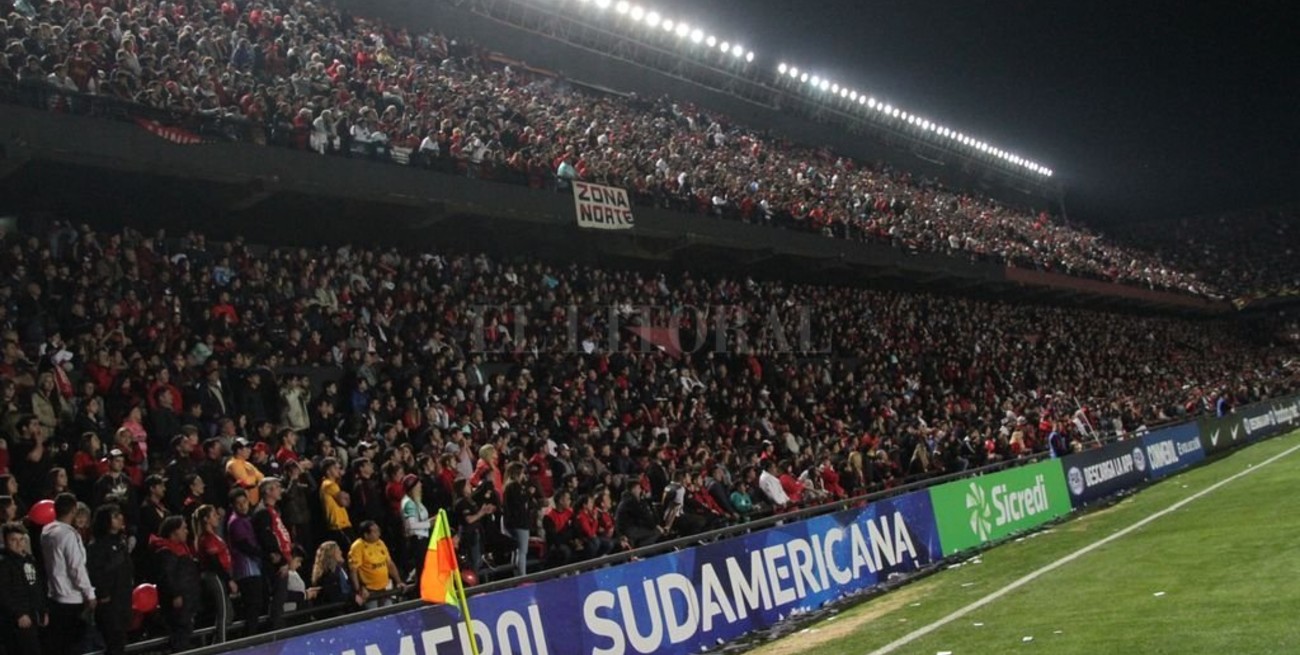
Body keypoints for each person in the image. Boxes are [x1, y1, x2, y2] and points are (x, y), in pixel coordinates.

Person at [40, 493, 95, 655]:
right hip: (72, 598)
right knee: (74, 645)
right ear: (73, 510)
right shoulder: (68, 535)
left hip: (55, 595)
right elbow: (76, 567)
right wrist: (89, 593)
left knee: (60, 644)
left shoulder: (47, 531)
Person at [86, 505, 134, 655]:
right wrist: (103, 593)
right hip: (110, 602)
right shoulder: (97, 545)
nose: (120, 518)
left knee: (120, 642)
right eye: (115, 516)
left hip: (123, 598)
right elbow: (95, 572)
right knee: (114, 642)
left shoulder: (121, 542)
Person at [152, 516, 200, 652]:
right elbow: (167, 576)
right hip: (178, 602)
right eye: (183, 528)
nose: (187, 531)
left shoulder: (181, 549)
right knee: (180, 636)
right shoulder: (166, 551)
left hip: (187, 599)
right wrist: (176, 594)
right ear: (174, 532)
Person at [251, 477, 293, 630]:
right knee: (277, 600)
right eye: (277, 487)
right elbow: (267, 539)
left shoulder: (273, 511)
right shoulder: (262, 512)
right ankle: (275, 634)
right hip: (274, 564)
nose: (280, 490)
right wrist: (281, 561)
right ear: (268, 491)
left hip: (282, 560)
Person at [0, 521, 46, 655]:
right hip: (17, 618)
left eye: (21, 539)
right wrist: (18, 613)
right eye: (13, 540)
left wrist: (43, 610)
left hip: (33, 614)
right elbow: (3, 592)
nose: (19, 543)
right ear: (5, 541)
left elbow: (37, 585)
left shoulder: (29, 559)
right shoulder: (4, 563)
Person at [192, 504, 234, 643]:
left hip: (219, 575)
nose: (218, 517)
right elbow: (214, 562)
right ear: (206, 519)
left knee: (228, 613)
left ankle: (216, 643)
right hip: (214, 576)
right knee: (222, 612)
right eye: (214, 515)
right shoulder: (207, 538)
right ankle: (220, 646)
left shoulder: (212, 536)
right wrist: (228, 580)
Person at [226, 489, 264, 638]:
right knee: (252, 606)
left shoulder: (245, 519)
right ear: (233, 506)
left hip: (254, 567)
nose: (243, 506)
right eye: (238, 504)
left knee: (256, 605)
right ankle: (249, 640)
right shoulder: (235, 522)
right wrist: (265, 554)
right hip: (246, 570)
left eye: (244, 502)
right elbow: (244, 545)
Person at [347, 520, 404, 609]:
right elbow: (353, 571)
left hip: (385, 588)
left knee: (389, 613)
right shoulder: (357, 547)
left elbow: (390, 564)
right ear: (366, 534)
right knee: (374, 616)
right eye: (375, 531)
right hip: (369, 592)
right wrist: (358, 590)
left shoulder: (380, 543)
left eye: (378, 530)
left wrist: (399, 581)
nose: (379, 533)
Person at [311, 541, 362, 614]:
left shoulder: (340, 568)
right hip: (335, 614)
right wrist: (353, 597)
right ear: (331, 555)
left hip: (348, 609)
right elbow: (334, 596)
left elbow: (348, 586)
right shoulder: (326, 575)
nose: (341, 552)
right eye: (338, 551)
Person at [501, 462, 531, 576]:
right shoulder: (515, 486)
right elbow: (520, 503)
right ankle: (522, 577)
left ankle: (516, 576)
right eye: (523, 473)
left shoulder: (508, 486)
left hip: (510, 523)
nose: (524, 476)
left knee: (516, 550)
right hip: (519, 523)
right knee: (522, 551)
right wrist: (528, 494)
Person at [399, 474, 430, 581]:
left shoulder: (416, 501)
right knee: (422, 571)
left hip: (423, 539)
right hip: (417, 541)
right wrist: (430, 523)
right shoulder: (409, 504)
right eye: (418, 483)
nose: (421, 485)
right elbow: (411, 526)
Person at [318, 457, 354, 546]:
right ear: (328, 471)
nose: (338, 470)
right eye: (335, 468)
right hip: (338, 525)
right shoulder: (329, 484)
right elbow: (344, 503)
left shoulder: (333, 484)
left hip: (343, 524)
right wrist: (346, 496)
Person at [615, 483, 662, 548]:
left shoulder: (627, 499)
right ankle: (641, 550)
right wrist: (655, 526)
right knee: (656, 532)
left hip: (628, 528)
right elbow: (643, 516)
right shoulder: (630, 501)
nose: (640, 490)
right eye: (638, 488)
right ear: (633, 489)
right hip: (627, 530)